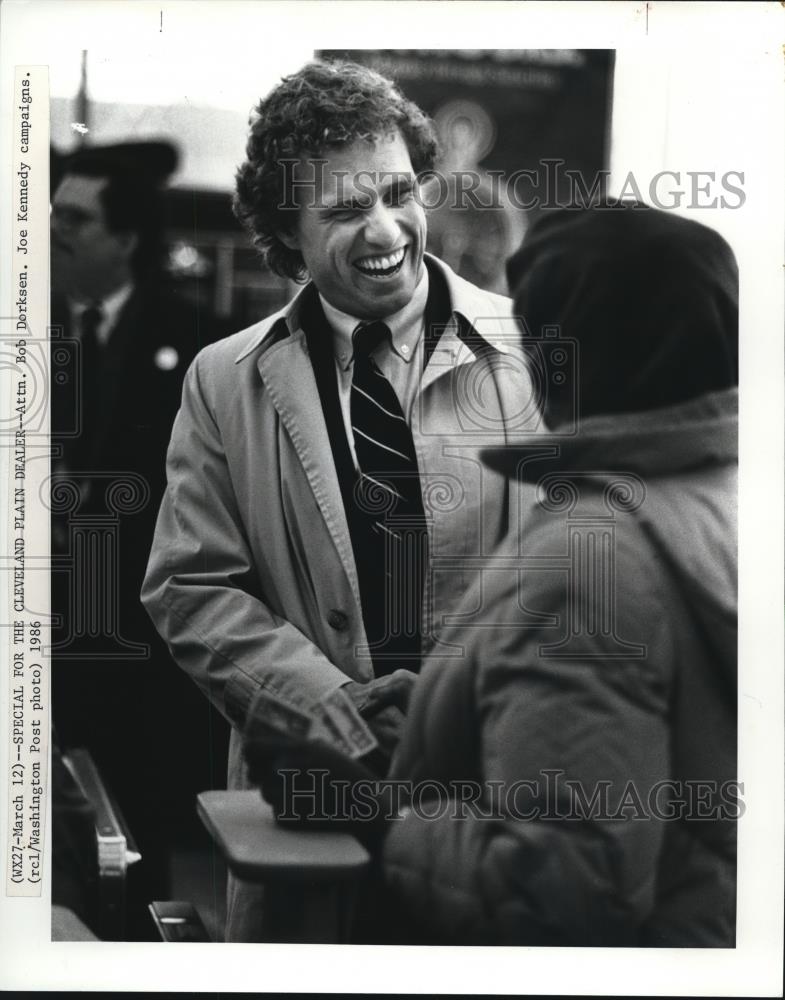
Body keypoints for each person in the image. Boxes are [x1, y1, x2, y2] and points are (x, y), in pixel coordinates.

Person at [248, 202, 739, 946]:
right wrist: (460, 710)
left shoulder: (586, 561)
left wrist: (373, 811)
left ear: (556, 356)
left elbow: (562, 887)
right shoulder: (729, 497)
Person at [141, 59, 540, 941]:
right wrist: (332, 706)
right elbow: (191, 588)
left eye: (398, 191)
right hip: (306, 803)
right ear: (286, 231)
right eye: (344, 209)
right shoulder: (223, 379)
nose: (385, 229)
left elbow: (580, 575)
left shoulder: (531, 352)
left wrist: (447, 720)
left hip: (488, 802)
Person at [50, 142, 228, 935]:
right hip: (42, 636)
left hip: (140, 645)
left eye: (73, 219)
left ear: (123, 239)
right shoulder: (28, 324)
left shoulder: (194, 339)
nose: (51, 230)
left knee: (135, 840)